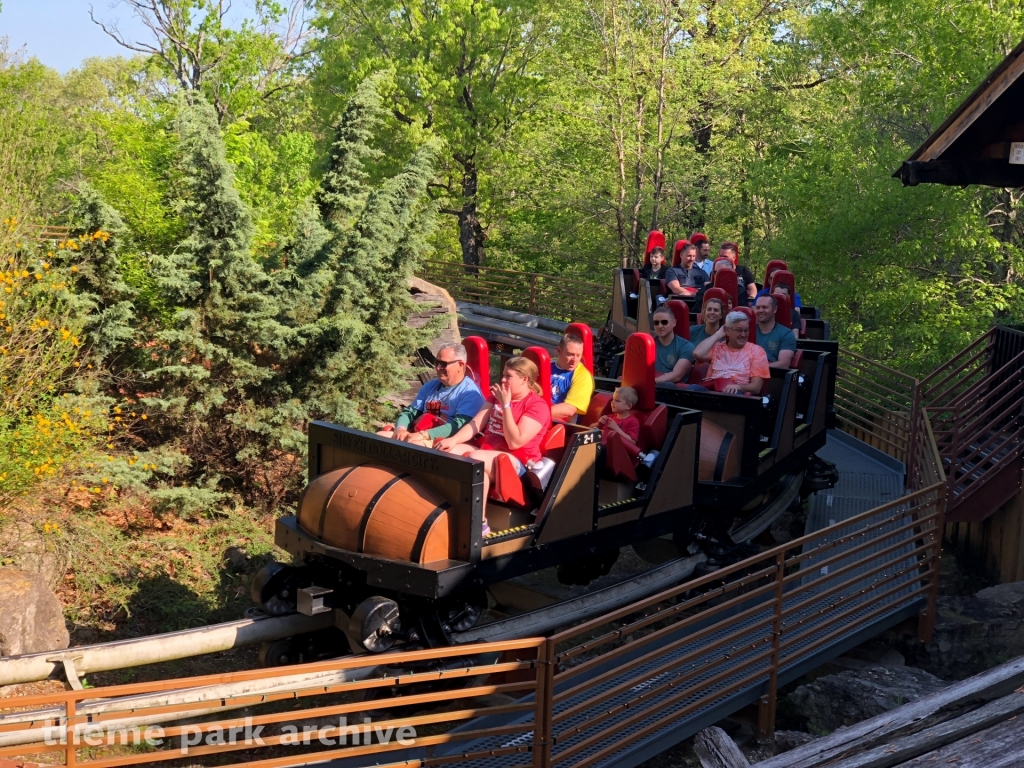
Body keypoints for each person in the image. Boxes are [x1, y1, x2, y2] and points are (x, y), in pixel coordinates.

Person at [436, 357, 551, 536]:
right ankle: (449, 512)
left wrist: (506, 405)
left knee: (475, 460)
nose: (502, 380)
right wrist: (453, 440)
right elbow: (476, 424)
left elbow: (515, 441)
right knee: (449, 453)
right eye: (503, 375)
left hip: (519, 463)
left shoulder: (537, 406)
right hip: (488, 451)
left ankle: (479, 525)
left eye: (508, 376)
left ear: (525, 379)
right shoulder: (495, 395)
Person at [377, 342, 485, 447]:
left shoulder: (470, 393)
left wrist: (425, 435)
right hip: (418, 432)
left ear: (460, 365)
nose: (438, 368)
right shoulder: (431, 386)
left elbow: (458, 426)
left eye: (443, 364)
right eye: (436, 362)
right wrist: (400, 428)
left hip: (444, 441)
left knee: (414, 446)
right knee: (380, 437)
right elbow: (410, 412)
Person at [691, 311, 770, 395]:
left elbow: (756, 387)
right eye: (739, 330)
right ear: (727, 331)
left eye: (746, 330)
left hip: (736, 394)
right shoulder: (718, 347)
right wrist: (718, 334)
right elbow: (697, 354)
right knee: (692, 389)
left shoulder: (757, 351)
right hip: (712, 390)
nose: (743, 335)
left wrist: (738, 387)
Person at [550, 333, 595, 422]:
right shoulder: (546, 365)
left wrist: (535, 413)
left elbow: (569, 409)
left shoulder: (583, 376)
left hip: (560, 425)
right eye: (570, 354)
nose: (574, 360)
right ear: (559, 350)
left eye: (578, 355)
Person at [651, 304, 693, 384]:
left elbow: (677, 375)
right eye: (656, 323)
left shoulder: (686, 346)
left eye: (664, 322)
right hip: (649, 385)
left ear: (674, 323)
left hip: (672, 390)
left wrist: (650, 382)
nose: (660, 326)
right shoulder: (648, 345)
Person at [753, 295, 797, 368]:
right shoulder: (748, 331)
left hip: (772, 375)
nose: (760, 310)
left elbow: (784, 364)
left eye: (764, 307)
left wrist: (757, 368)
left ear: (775, 309)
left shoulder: (786, 334)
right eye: (758, 307)